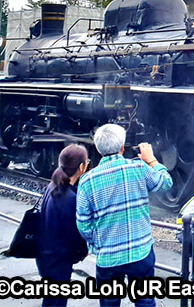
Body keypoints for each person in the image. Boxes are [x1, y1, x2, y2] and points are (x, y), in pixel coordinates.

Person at [76, 124, 172, 307]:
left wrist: (100, 242)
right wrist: (151, 160)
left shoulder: (87, 181)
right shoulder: (138, 168)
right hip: (140, 251)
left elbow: (83, 225)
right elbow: (166, 183)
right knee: (145, 300)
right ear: (122, 147)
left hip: (108, 256)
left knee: (110, 303)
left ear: (97, 148)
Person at [36, 144, 90, 307]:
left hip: (46, 255)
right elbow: (74, 233)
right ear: (81, 167)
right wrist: (81, 251)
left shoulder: (53, 186)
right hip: (58, 259)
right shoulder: (69, 197)